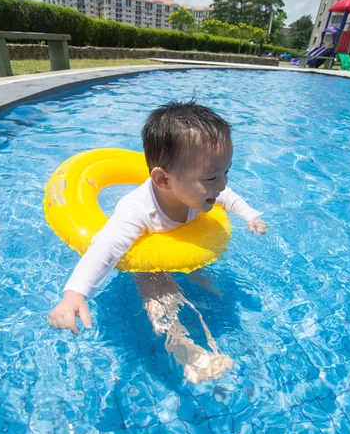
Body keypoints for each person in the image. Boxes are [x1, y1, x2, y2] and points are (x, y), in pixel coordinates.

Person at [48, 101, 268, 383]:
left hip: (178, 244)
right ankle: (185, 351)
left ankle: (202, 290)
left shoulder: (204, 187)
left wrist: (251, 216)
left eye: (227, 172)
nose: (222, 184)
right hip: (147, 256)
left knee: (203, 277)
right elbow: (104, 248)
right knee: (161, 291)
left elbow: (228, 197)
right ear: (163, 179)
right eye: (213, 177)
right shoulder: (136, 211)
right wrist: (74, 294)